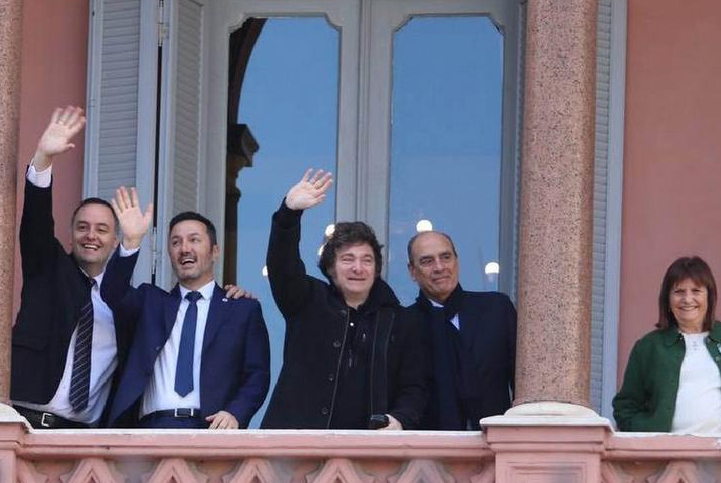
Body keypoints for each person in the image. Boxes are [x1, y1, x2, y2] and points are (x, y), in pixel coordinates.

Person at [261, 169, 428, 429]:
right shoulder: (307, 301)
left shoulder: (399, 321)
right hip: (295, 452)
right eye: (348, 259)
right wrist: (288, 214)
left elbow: (414, 387)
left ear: (376, 269)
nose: (358, 268)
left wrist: (400, 420)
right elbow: (282, 266)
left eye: (367, 260)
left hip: (367, 457)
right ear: (331, 268)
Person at [9, 106, 139, 429]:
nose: (91, 235)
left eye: (102, 229)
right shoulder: (49, 269)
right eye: (82, 227)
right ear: (71, 234)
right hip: (24, 422)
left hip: (82, 437)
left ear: (115, 241)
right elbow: (36, 225)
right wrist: (43, 160)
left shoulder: (126, 303)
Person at [102, 191, 270, 428]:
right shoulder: (150, 302)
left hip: (210, 430)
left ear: (215, 252)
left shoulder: (242, 310)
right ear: (169, 253)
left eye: (194, 240)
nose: (184, 248)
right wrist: (130, 242)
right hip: (151, 429)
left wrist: (235, 413)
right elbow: (112, 292)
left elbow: (257, 375)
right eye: (175, 242)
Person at [612, 256, 721, 433]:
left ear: (709, 296)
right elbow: (626, 406)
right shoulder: (648, 347)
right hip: (667, 457)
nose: (687, 299)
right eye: (679, 292)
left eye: (696, 291)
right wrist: (647, 439)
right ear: (667, 300)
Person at [406, 230, 517, 430]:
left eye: (446, 257)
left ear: (456, 261)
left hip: (496, 445)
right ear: (412, 272)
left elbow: (523, 381)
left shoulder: (496, 309)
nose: (439, 267)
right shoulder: (404, 324)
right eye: (427, 261)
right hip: (429, 450)